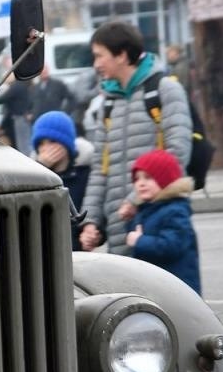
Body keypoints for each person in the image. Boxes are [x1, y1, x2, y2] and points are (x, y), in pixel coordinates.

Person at [79, 22, 191, 256]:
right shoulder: (108, 102)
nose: (96, 64)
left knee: (159, 290)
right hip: (118, 223)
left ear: (121, 55)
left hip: (156, 219)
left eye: (100, 56)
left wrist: (134, 199)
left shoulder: (164, 90)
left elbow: (177, 153)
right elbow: (100, 168)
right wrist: (90, 221)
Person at [124, 149, 202, 294]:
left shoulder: (175, 211)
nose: (141, 183)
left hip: (178, 288)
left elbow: (172, 246)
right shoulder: (146, 209)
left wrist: (139, 241)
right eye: (137, 179)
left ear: (165, 181)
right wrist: (129, 221)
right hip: (157, 285)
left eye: (147, 178)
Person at [31, 110, 92, 240]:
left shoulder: (84, 174)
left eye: (52, 141)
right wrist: (41, 167)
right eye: (41, 143)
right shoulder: (33, 178)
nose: (46, 148)